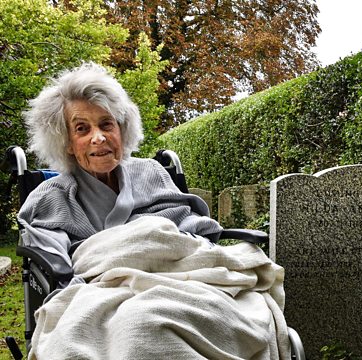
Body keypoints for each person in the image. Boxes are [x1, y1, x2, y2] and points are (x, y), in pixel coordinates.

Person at [19, 62, 289, 359]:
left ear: (121, 129)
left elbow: (187, 228)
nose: (98, 137)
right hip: (104, 290)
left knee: (225, 310)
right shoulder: (51, 197)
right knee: (140, 322)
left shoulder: (150, 172)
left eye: (107, 124)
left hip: (183, 280)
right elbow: (56, 265)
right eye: (82, 129)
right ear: (67, 143)